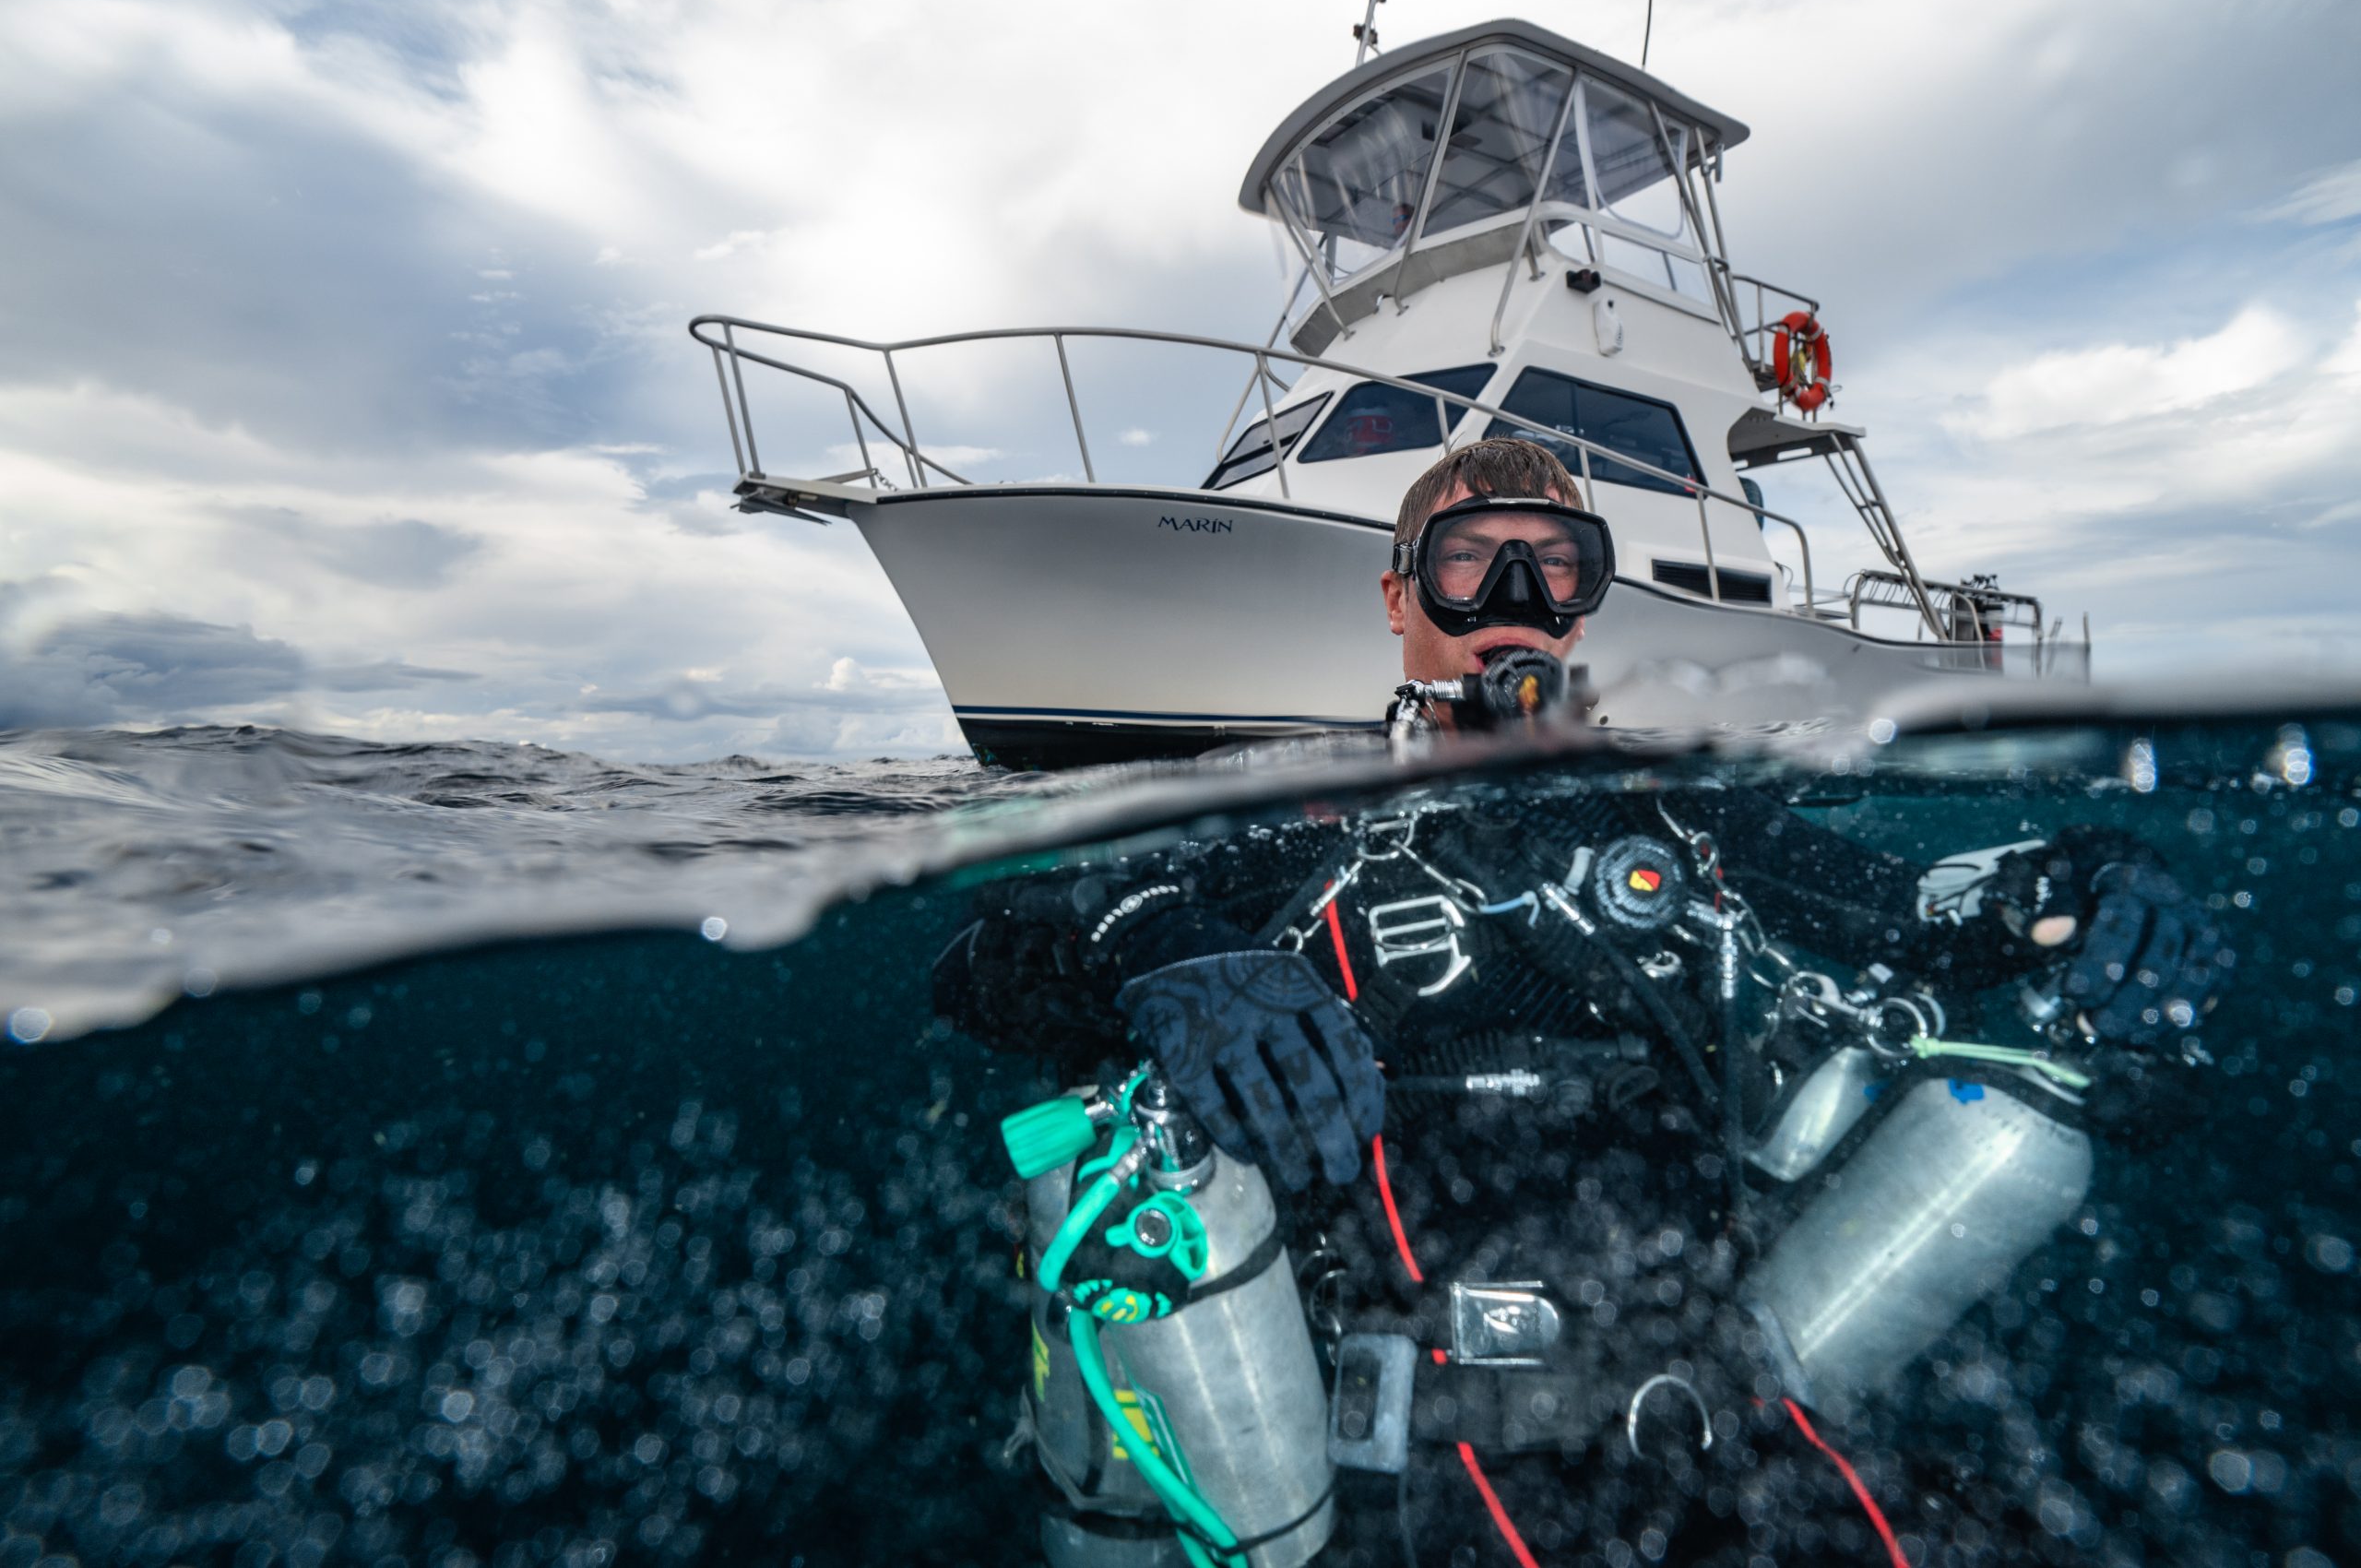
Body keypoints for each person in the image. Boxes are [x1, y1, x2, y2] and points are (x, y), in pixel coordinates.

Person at [937, 439, 2229, 1564]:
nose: (1515, 600)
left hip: (1726, 1429)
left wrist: (2081, 873)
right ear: (1398, 596)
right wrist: (1160, 944)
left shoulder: (1688, 815)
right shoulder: (1285, 822)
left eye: (1553, 567)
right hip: (1407, 1476)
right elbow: (990, 954)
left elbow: (1915, 915)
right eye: (1468, 564)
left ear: (1589, 601)